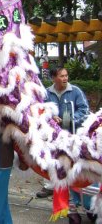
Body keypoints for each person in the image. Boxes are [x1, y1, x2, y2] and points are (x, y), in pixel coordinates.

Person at [36, 68, 89, 201]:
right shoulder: (47, 93)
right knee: (49, 158)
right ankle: (49, 186)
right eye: (61, 76)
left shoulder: (75, 91)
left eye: (66, 76)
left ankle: (72, 188)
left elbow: (84, 110)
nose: (65, 78)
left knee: (70, 160)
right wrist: (51, 117)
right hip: (52, 134)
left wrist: (70, 119)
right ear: (54, 78)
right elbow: (40, 109)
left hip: (71, 133)